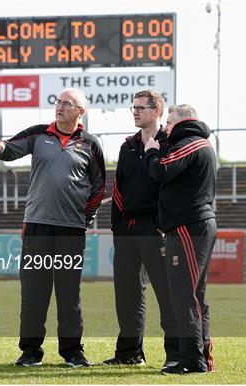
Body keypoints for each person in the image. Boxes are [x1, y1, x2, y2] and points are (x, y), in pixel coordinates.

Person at [0, 88, 106, 368]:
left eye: (66, 103)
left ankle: (73, 352)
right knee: (34, 292)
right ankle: (30, 351)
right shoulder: (39, 133)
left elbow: (99, 188)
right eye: (57, 102)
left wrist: (84, 219)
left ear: (80, 112)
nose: (59, 107)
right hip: (37, 227)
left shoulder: (91, 144)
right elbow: (8, 150)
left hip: (71, 232)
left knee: (69, 294)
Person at [103, 90, 179, 368]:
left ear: (157, 111)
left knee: (167, 294)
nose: (135, 112)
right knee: (126, 294)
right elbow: (119, 188)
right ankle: (129, 353)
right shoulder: (128, 146)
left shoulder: (169, 143)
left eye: (140, 108)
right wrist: (117, 228)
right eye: (132, 107)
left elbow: (171, 186)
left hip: (155, 229)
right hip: (127, 230)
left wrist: (162, 225)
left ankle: (175, 354)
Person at [144, 104, 217, 375]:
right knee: (193, 295)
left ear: (182, 122)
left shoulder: (191, 142)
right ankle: (201, 357)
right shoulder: (197, 143)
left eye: (169, 122)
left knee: (184, 295)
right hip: (191, 225)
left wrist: (151, 151)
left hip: (189, 226)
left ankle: (193, 359)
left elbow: (162, 170)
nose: (165, 128)